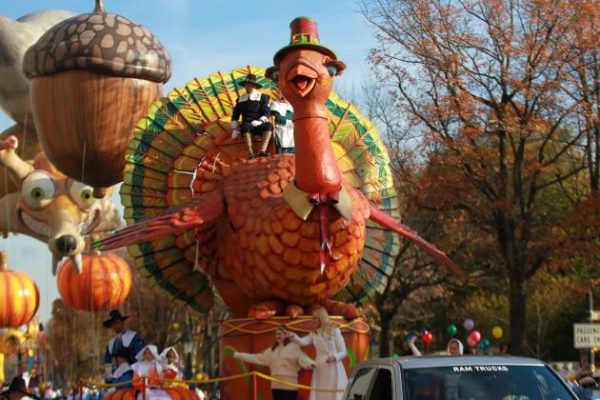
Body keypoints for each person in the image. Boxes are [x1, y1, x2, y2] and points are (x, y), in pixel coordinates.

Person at [234, 326, 315, 400]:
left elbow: (302, 358)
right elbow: (257, 358)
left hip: (290, 386)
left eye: (280, 334)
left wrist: (311, 363)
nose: (277, 336)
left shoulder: (294, 347)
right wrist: (239, 355)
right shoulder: (272, 350)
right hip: (276, 386)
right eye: (276, 334)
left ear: (286, 335)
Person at [288, 307, 347, 400]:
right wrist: (294, 337)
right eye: (313, 318)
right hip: (321, 368)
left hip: (334, 368)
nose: (313, 320)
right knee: (321, 393)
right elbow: (303, 342)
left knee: (335, 393)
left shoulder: (334, 330)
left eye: (315, 318)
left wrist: (334, 357)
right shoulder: (314, 333)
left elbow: (344, 351)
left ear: (321, 318)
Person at [231, 74, 274, 159]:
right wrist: (234, 129)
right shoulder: (240, 99)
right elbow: (235, 115)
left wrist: (260, 121)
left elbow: (267, 111)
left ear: (254, 86)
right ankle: (250, 153)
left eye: (249, 85)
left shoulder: (262, 97)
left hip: (259, 123)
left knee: (269, 126)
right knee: (246, 126)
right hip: (246, 124)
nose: (247, 87)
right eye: (246, 85)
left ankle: (262, 151)